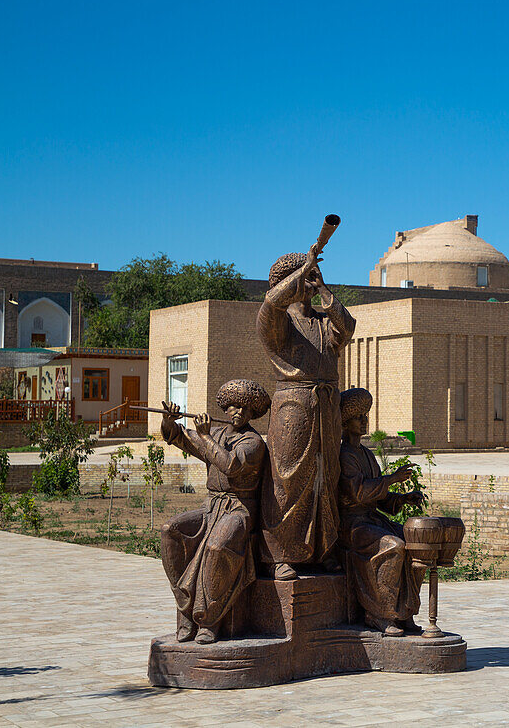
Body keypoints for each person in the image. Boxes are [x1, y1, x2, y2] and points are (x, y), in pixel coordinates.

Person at [258, 240, 356, 580]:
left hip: (326, 407)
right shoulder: (278, 322)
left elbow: (348, 327)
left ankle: (323, 550)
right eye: (308, 276)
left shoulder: (323, 323)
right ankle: (280, 554)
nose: (313, 280)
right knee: (288, 478)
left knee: (325, 475)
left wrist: (325, 291)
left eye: (317, 274)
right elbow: (271, 301)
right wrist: (302, 269)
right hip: (293, 407)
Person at [159, 379, 270, 644]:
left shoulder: (253, 442)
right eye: (233, 406)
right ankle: (185, 607)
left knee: (218, 547)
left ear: (252, 412)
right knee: (170, 531)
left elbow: (229, 465)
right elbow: (179, 438)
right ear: (225, 408)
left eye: (245, 408)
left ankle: (209, 620)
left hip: (239, 510)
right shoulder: (218, 434)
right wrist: (168, 421)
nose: (238, 412)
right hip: (212, 507)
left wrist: (206, 436)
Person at [337, 388, 427, 636]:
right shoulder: (345, 455)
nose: (365, 421)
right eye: (359, 417)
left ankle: (405, 611)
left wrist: (404, 498)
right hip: (353, 525)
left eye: (366, 416)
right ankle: (379, 613)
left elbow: (381, 498)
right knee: (393, 546)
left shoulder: (367, 454)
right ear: (345, 424)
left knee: (417, 544)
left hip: (373, 520)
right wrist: (392, 479)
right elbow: (358, 494)